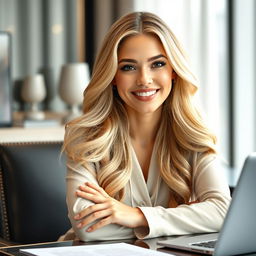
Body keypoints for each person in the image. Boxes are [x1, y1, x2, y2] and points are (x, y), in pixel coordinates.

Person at [60, 11, 231, 242]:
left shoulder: (192, 134)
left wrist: (135, 216)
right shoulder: (86, 136)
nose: (144, 79)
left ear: (173, 71)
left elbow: (222, 212)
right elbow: (89, 227)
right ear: (112, 75)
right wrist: (188, 219)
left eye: (157, 64)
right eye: (128, 67)